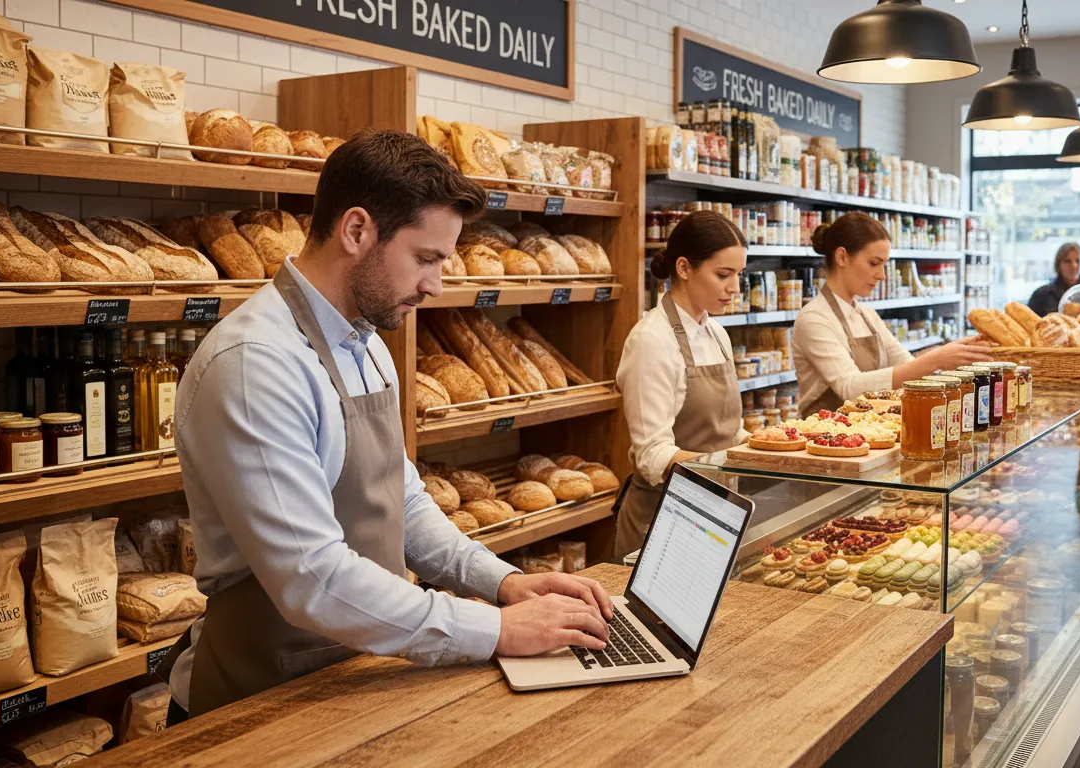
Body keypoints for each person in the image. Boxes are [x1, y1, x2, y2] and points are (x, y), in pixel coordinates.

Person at [166, 130, 613, 721]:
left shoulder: (367, 342)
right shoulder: (255, 364)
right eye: (425, 258)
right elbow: (312, 577)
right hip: (264, 700)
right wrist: (496, 629)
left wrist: (502, 583)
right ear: (357, 231)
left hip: (354, 674)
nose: (435, 286)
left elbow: (400, 500)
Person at [613, 210, 748, 558]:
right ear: (685, 268)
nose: (735, 288)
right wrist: (730, 465)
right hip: (663, 518)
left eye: (739, 275)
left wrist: (765, 448)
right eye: (723, 275)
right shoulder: (651, 340)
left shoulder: (717, 334)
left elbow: (729, 433)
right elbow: (653, 455)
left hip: (718, 510)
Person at [794, 212, 992, 415]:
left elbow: (906, 366)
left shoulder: (867, 315)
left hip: (870, 435)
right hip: (820, 438)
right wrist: (936, 359)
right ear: (842, 256)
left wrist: (953, 354)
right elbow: (850, 387)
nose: (882, 275)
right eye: (873, 263)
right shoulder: (814, 318)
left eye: (883, 265)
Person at [1027, 242, 1080, 318]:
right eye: (1068, 261)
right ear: (1059, 264)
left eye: (1078, 261)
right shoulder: (1041, 295)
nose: (1074, 266)